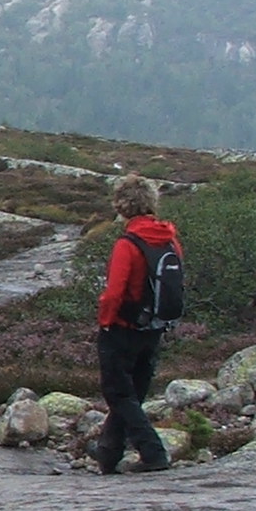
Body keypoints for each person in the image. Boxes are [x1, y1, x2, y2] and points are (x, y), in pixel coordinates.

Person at [91, 175, 183, 474]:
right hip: (154, 327)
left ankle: (153, 453)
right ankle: (108, 453)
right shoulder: (169, 240)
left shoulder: (127, 243)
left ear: (121, 205)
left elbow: (114, 292)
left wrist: (105, 322)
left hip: (122, 328)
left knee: (118, 393)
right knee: (132, 394)